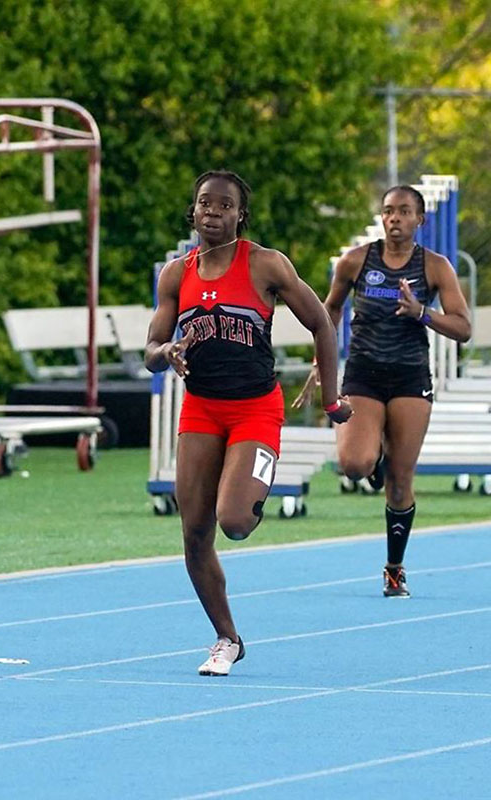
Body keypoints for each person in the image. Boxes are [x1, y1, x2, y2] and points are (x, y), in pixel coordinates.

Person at [145, 170, 352, 677]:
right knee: (194, 533)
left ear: (240, 215)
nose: (212, 212)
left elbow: (322, 323)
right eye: (203, 204)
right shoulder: (176, 274)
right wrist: (165, 351)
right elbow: (149, 351)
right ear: (192, 212)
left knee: (234, 521)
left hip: (255, 408)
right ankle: (226, 638)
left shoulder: (265, 264)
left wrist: (330, 396)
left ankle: (254, 482)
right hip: (201, 408)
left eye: (224, 205)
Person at [295, 185, 471, 598]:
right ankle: (374, 454)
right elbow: (329, 311)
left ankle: (394, 568)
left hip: (410, 378)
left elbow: (463, 328)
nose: (395, 219)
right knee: (354, 464)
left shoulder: (435, 267)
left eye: (404, 212)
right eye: (389, 211)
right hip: (363, 375)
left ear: (419, 220)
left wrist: (422, 313)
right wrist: (320, 363)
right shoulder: (356, 261)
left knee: (400, 480)